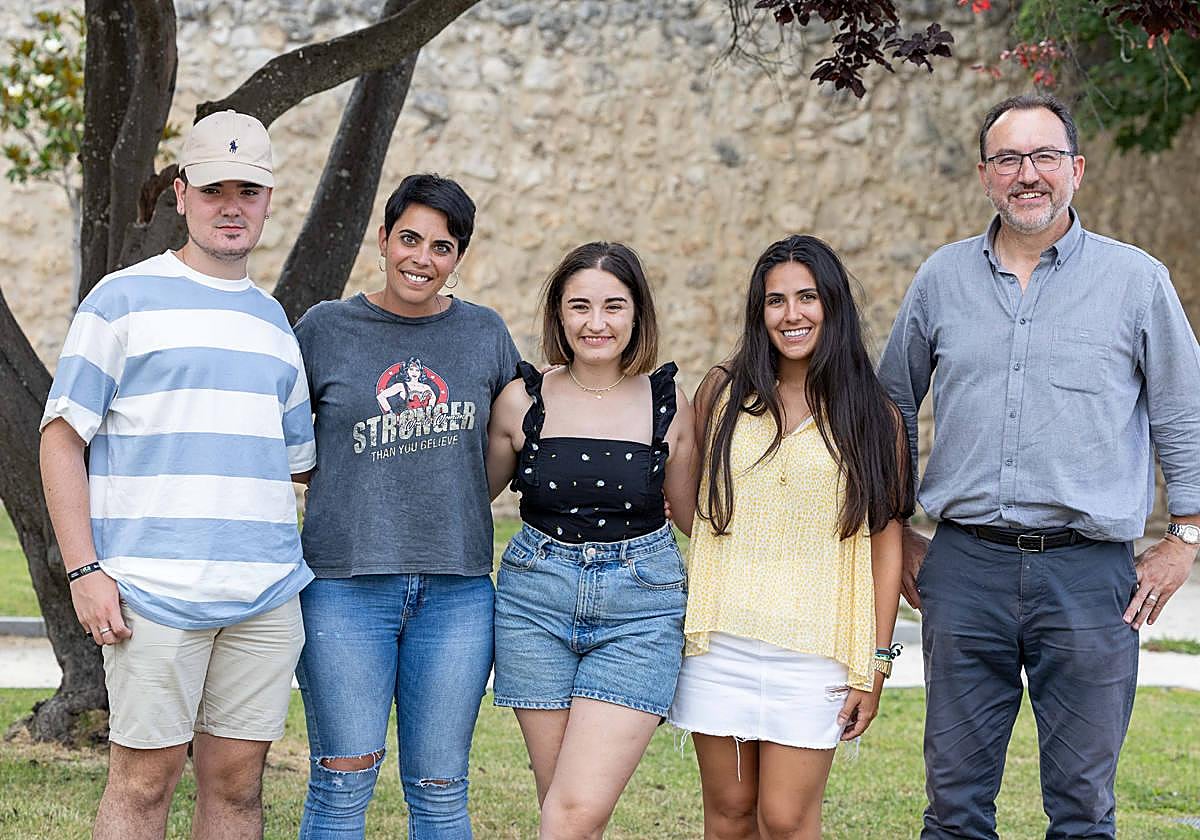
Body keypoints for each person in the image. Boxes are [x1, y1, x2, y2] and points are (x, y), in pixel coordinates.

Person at [878, 93, 1200, 840]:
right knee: (953, 808)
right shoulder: (940, 280)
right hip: (963, 571)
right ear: (986, 175)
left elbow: (1184, 411)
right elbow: (890, 405)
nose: (1029, 173)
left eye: (1045, 156)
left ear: (1076, 170)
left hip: (1090, 580)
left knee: (1083, 810)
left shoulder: (1136, 282)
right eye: (1009, 159)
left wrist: (1186, 536)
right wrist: (894, 526)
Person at [39, 110, 315, 840]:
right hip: (151, 594)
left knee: (238, 787)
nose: (232, 205)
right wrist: (84, 570)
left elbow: (299, 465)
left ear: (267, 200)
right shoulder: (120, 301)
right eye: (215, 188)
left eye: (248, 191)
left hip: (261, 597)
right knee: (142, 784)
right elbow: (61, 439)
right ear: (182, 194)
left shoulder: (274, 324)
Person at [292, 173, 520, 839]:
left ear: (459, 258)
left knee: (442, 789)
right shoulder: (327, 328)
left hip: (456, 592)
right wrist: (351, 490)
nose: (422, 258)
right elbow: (285, 440)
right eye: (410, 238)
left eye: (442, 246)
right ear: (384, 238)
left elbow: (509, 439)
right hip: (343, 586)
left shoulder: (484, 334)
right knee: (341, 782)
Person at [667, 234, 909, 839]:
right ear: (760, 311)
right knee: (727, 817)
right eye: (776, 301)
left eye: (807, 298)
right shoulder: (722, 392)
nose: (791, 314)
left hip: (816, 651)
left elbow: (884, 544)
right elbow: (690, 502)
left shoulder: (871, 414)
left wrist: (873, 667)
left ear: (833, 305)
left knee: (786, 818)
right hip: (721, 642)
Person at [485, 241, 696, 839]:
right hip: (534, 606)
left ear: (637, 314)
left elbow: (694, 515)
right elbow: (467, 502)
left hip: (641, 609)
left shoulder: (668, 403)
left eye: (613, 306)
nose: (596, 323)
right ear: (558, 314)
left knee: (574, 812)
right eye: (579, 306)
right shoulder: (523, 400)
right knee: (564, 807)